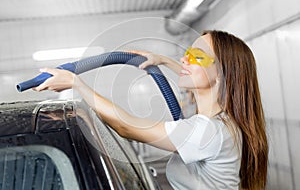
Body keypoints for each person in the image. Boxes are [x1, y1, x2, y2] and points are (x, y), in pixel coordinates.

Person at [33, 30, 268, 190]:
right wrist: (163, 60)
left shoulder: (208, 132)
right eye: (187, 53)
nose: (185, 60)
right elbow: (205, 77)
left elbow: (126, 127)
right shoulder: (223, 120)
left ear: (224, 73)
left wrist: (77, 84)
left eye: (197, 57)